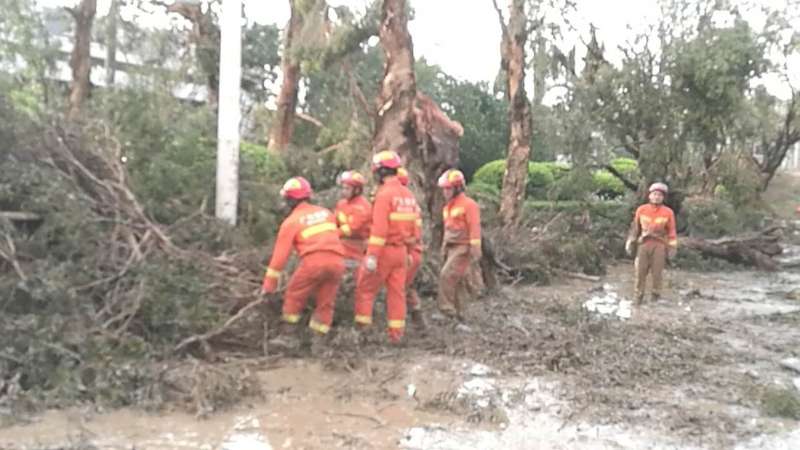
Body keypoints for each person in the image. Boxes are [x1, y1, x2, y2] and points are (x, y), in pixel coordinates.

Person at [261, 176, 346, 351]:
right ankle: (319, 342)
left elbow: (279, 259)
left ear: (289, 200)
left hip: (314, 262)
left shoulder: (291, 222)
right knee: (326, 301)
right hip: (337, 262)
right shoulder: (326, 213)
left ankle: (288, 337)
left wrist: (268, 287)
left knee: (294, 294)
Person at [353, 151, 419, 343]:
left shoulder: (384, 195)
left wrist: (372, 256)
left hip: (384, 252)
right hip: (402, 253)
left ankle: (362, 332)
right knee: (397, 294)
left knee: (365, 289)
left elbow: (380, 229)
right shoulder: (408, 195)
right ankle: (396, 336)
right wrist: (407, 251)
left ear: (380, 171)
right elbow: (415, 229)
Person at [437, 169, 482, 320]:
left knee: (446, 275)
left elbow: (474, 227)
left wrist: (475, 249)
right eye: (444, 189)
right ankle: (460, 313)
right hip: (451, 247)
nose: (445, 192)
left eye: (448, 188)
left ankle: (446, 310)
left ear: (457, 188)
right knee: (458, 281)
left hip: (463, 247)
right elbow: (447, 230)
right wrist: (443, 248)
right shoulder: (447, 207)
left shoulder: (469, 205)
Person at [625, 182, 678, 304]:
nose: (656, 197)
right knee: (640, 272)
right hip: (643, 244)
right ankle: (638, 297)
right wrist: (630, 241)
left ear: (663, 197)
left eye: (659, 195)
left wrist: (672, 248)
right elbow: (635, 228)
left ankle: (655, 297)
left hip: (659, 245)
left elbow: (672, 231)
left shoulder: (668, 212)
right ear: (649, 196)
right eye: (654, 194)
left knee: (657, 273)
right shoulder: (641, 210)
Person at [397, 167, 426, 329]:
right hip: (412, 252)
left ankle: (408, 324)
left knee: (399, 288)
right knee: (406, 287)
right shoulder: (409, 203)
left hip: (409, 253)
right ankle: (417, 320)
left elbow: (412, 236)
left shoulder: (401, 204)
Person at [334, 170, 371, 267]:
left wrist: (332, 234)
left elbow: (352, 229)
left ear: (357, 190)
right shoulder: (341, 204)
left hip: (357, 252)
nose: (344, 191)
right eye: (343, 188)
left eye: (347, 189)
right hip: (342, 249)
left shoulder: (363, 207)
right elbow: (334, 222)